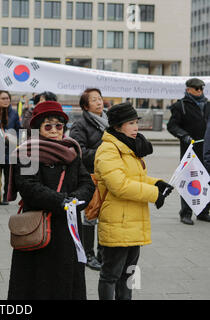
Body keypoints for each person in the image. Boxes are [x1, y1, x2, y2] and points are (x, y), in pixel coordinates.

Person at [7, 101, 95, 300]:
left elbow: (87, 184)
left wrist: (74, 201)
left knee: (67, 280)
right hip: (39, 227)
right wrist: (61, 202)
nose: (55, 130)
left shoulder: (71, 151)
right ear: (38, 129)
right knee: (38, 284)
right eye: (48, 126)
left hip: (68, 229)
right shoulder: (26, 152)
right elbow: (28, 187)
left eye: (59, 126)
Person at [94, 102, 174, 300]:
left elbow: (134, 179)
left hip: (132, 222)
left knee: (129, 274)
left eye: (136, 122)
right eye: (130, 123)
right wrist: (154, 194)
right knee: (110, 275)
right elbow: (119, 185)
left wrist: (157, 183)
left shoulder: (128, 147)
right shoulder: (109, 150)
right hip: (117, 222)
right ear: (117, 126)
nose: (136, 127)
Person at [69, 88, 108, 271]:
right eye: (94, 100)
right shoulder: (80, 124)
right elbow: (78, 152)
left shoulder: (110, 120)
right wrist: (104, 154)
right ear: (86, 106)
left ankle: (102, 251)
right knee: (90, 215)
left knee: (106, 214)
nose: (99, 102)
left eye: (100, 98)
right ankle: (88, 253)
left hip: (109, 174)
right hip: (90, 174)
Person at [167, 78, 210, 225]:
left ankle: (203, 212)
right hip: (190, 150)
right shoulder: (181, 106)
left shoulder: (208, 104)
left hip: (207, 149)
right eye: (196, 88)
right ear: (188, 89)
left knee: (206, 180)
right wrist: (184, 136)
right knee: (189, 180)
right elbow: (172, 126)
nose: (199, 91)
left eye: (201, 88)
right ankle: (185, 213)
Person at [0, 90, 21, 205]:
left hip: (9, 148)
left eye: (7, 98)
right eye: (3, 98)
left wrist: (12, 136)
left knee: (8, 175)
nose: (6, 100)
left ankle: (6, 196)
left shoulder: (14, 113)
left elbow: (18, 130)